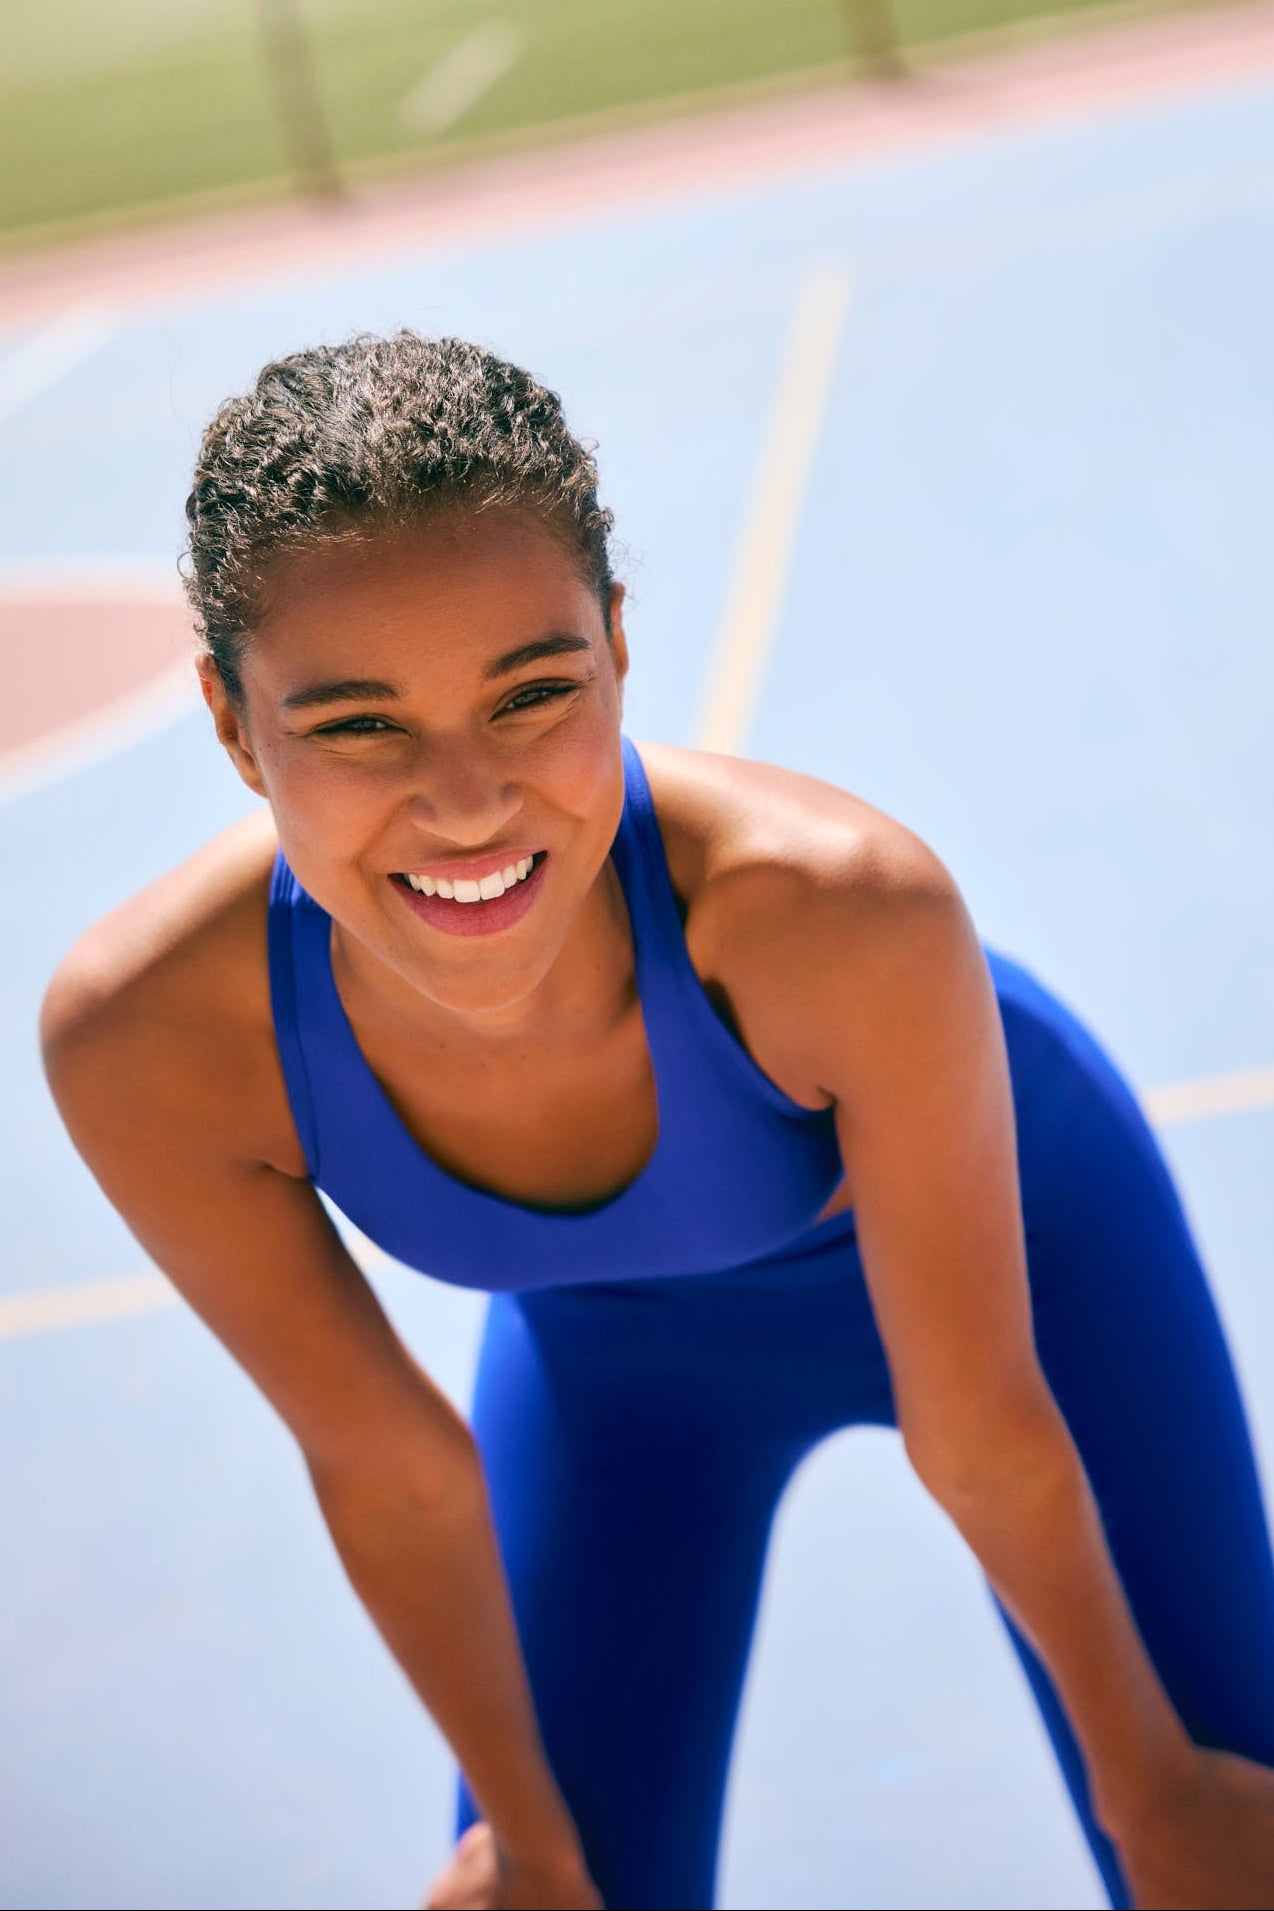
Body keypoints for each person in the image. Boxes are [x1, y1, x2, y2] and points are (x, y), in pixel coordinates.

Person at [40, 332, 1274, 1911]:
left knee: (1221, 1846)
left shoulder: (839, 913)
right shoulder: (151, 1038)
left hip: (1035, 1294)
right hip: (615, 1367)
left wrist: (1152, 1793)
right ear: (229, 720)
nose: (468, 803)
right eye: (357, 727)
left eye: (534, 693)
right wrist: (531, 1847)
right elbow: (389, 1466)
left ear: (619, 645)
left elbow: (983, 1431)